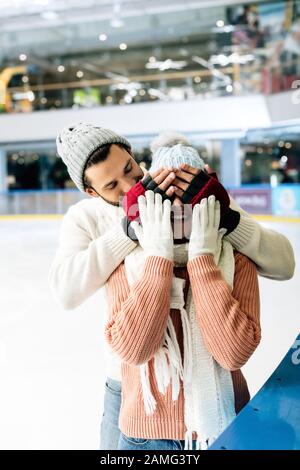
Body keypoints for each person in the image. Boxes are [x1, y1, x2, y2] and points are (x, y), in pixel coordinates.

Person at [48, 123, 295, 449]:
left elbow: (283, 264)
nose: (129, 184)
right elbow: (66, 290)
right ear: (92, 192)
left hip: (213, 383)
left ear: (135, 157)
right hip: (131, 386)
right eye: (111, 185)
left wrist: (229, 218)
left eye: (129, 169)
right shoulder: (86, 218)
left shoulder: (183, 187)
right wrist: (128, 230)